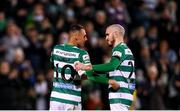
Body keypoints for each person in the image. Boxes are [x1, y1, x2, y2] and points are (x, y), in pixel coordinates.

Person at [49, 24, 119, 110]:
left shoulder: (56, 49)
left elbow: (55, 70)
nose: (86, 39)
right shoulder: (82, 54)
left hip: (55, 100)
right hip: (72, 100)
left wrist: (75, 76)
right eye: (84, 36)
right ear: (76, 36)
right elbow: (90, 76)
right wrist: (110, 81)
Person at [75, 24, 136, 110]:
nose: (106, 38)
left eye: (107, 34)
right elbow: (108, 75)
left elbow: (112, 66)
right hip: (123, 94)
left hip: (120, 95)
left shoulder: (120, 49)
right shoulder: (125, 50)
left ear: (115, 34)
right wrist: (85, 75)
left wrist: (87, 66)